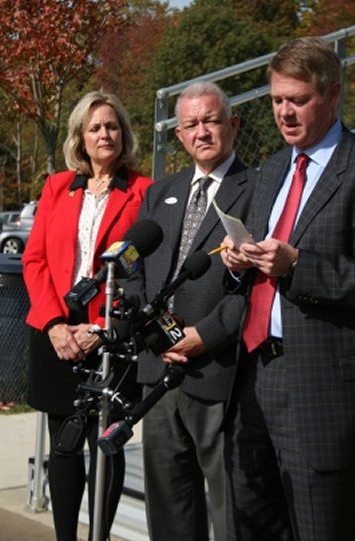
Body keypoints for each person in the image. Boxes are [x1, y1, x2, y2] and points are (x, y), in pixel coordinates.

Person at [221, 37, 355, 541]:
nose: (285, 113)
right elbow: (259, 266)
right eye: (277, 100)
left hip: (326, 398)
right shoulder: (273, 168)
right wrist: (238, 263)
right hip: (255, 379)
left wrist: (298, 265)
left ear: (332, 93)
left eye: (297, 100)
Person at [124, 81, 256, 541]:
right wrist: (153, 331)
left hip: (218, 373)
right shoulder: (160, 193)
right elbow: (134, 272)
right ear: (178, 135)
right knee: (169, 509)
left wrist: (204, 335)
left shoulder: (260, 190)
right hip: (157, 374)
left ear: (233, 125)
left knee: (231, 511)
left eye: (211, 121)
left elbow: (257, 288)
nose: (201, 132)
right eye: (191, 124)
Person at [22, 90, 153, 541]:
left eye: (112, 126)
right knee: (64, 443)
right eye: (95, 127)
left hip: (109, 333)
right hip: (55, 327)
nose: (105, 134)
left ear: (124, 134)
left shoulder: (143, 191)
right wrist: (56, 325)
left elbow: (144, 268)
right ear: (80, 135)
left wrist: (104, 329)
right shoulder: (57, 186)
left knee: (106, 444)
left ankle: (99, 534)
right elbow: (34, 260)